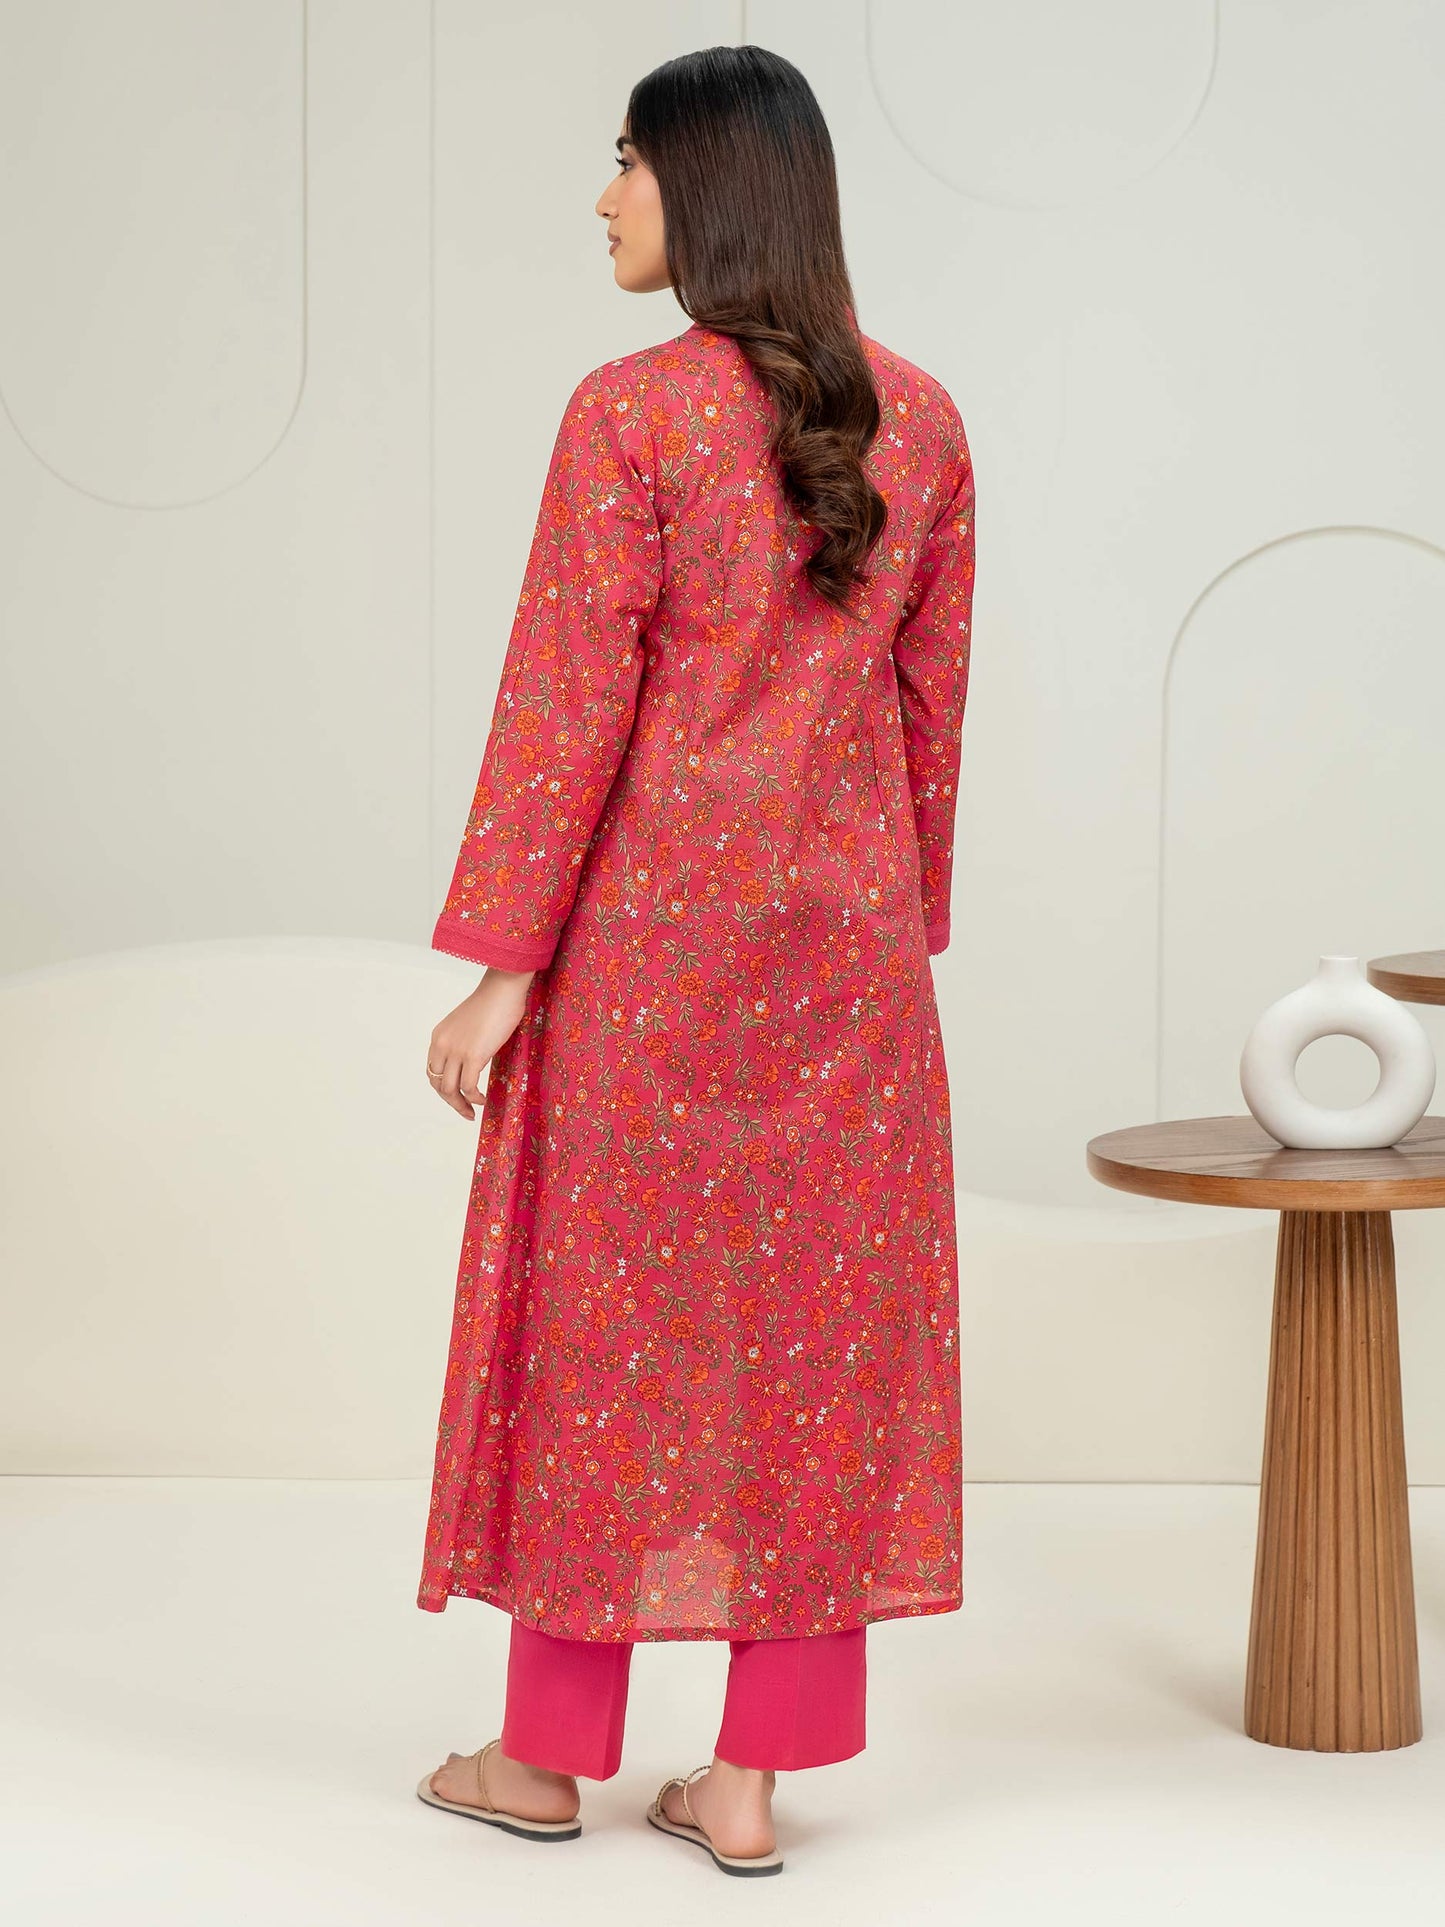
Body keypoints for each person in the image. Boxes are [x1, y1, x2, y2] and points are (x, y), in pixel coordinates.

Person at [414, 43, 975, 1877]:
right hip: (848, 976)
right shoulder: (923, 422)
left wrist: (503, 963)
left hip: (645, 963)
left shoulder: (628, 415)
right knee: (816, 1349)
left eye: (630, 164)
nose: (604, 199)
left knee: (600, 1338)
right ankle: (746, 1785)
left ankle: (544, 1755)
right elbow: (927, 719)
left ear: (711, 186)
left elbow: (564, 704)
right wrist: (893, 933)